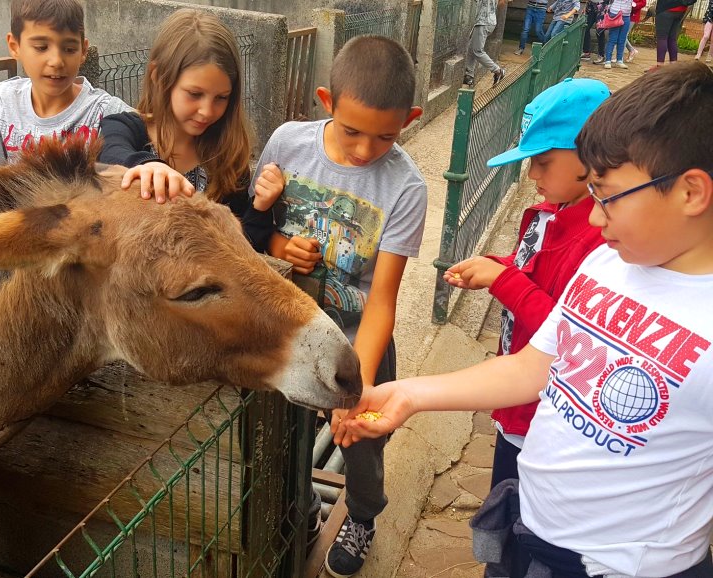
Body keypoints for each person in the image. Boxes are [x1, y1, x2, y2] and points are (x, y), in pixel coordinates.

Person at [335, 62, 713, 578]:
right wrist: (410, 394)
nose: (596, 217)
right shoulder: (610, 263)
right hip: (530, 526)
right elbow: (536, 367)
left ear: (691, 192)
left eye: (609, 195)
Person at [255, 35, 426, 577]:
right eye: (352, 131)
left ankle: (363, 515)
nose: (362, 149)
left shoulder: (406, 187)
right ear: (326, 100)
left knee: (362, 443)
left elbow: (382, 299)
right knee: (281, 433)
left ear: (411, 119)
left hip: (359, 342)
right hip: (289, 334)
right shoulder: (287, 143)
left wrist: (360, 386)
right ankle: (298, 505)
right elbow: (258, 231)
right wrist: (282, 248)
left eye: (384, 136)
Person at [449, 77, 608, 577]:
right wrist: (495, 267)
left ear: (591, 157)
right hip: (513, 406)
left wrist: (503, 280)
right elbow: (529, 270)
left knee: (524, 534)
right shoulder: (543, 213)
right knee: (502, 517)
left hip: (542, 415)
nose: (532, 173)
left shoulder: (600, 243)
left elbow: (564, 335)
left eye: (543, 162)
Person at [98, 9, 278, 253]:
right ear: (159, 76)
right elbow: (110, 149)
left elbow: (244, 249)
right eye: (195, 94)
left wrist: (261, 208)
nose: (207, 111)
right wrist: (147, 165)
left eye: (221, 98)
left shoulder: (227, 160)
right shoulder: (124, 127)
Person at [0, 0, 130, 191]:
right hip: (11, 227)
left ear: (83, 51)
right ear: (15, 46)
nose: (56, 61)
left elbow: (152, 149)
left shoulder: (108, 113)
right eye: (41, 47)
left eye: (69, 48)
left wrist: (149, 166)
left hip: (77, 227)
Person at [464, 0, 507, 87]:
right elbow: (502, 3)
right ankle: (469, 76)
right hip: (488, 20)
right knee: (471, 47)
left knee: (477, 51)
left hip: (483, 21)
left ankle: (498, 71)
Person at [653, 0, 694, 70]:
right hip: (681, 9)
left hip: (666, 8)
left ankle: (659, 66)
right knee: (672, 38)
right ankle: (674, 65)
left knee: (662, 38)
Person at [603, 0, 632, 69]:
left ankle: (619, 60)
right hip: (615, 13)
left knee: (622, 39)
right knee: (612, 39)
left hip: (626, 15)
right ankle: (608, 60)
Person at [584, 0, 610, 64]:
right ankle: (586, 52)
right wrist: (586, 6)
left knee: (599, 32)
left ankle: (601, 55)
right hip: (591, 6)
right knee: (585, 28)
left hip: (602, 7)